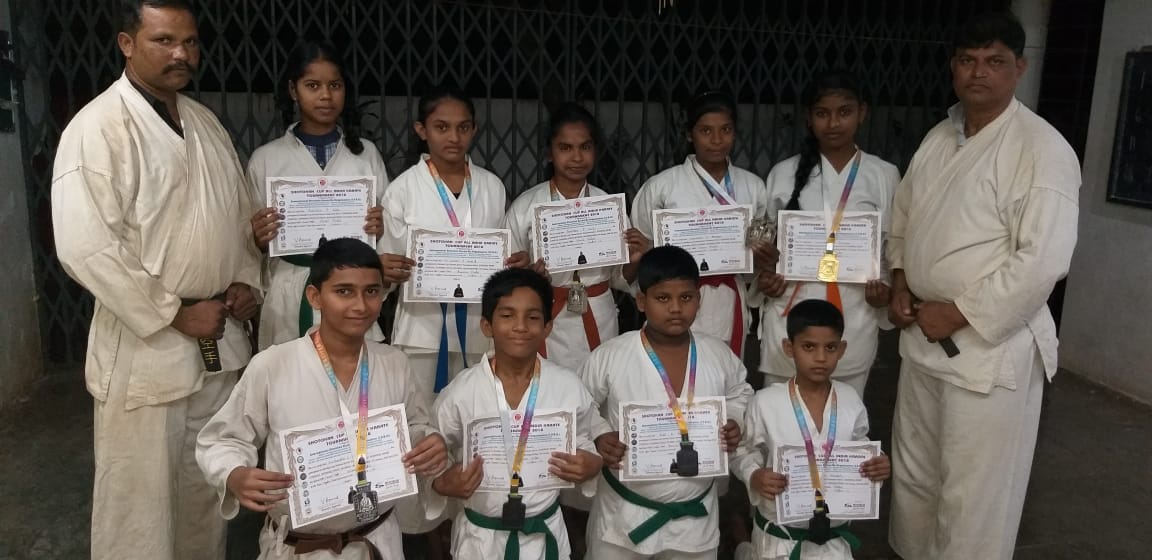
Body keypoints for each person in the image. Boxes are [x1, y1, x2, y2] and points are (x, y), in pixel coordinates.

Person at [50, 1, 262, 557]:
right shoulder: (98, 127)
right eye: (164, 40)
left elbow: (236, 213)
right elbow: (86, 244)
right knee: (139, 507)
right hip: (147, 346)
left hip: (217, 339)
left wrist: (245, 281)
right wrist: (174, 312)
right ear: (127, 43)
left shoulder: (204, 122)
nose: (181, 54)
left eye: (189, 42)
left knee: (202, 496)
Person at [885, 11, 1080, 560]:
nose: (979, 73)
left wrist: (960, 311)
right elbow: (904, 218)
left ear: (1019, 68)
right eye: (968, 60)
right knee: (917, 477)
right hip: (923, 339)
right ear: (953, 67)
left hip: (987, 351)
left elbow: (1043, 261)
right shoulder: (939, 136)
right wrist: (900, 279)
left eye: (995, 61)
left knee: (974, 493)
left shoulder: (1041, 149)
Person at [196, 238, 448, 559]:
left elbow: (414, 426)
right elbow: (223, 439)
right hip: (299, 545)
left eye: (371, 291)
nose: (360, 305)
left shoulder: (394, 362)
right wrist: (234, 473)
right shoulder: (273, 365)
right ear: (315, 296)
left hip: (376, 539)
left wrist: (429, 443)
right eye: (344, 291)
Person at [581, 246, 754, 559]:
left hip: (694, 520)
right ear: (641, 301)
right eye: (663, 298)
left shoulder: (718, 354)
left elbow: (740, 392)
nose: (676, 308)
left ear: (699, 299)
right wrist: (599, 434)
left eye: (686, 297)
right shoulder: (610, 356)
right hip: (622, 518)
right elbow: (581, 404)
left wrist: (734, 420)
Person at [428, 267, 603, 559]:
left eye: (532, 317)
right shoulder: (461, 391)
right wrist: (442, 482)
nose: (520, 326)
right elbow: (435, 448)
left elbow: (584, 439)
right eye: (507, 316)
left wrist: (591, 463)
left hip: (544, 535)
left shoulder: (567, 385)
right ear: (487, 325)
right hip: (481, 541)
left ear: (547, 327)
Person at [378, 86, 530, 399]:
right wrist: (386, 272)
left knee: (477, 410)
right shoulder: (401, 190)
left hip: (480, 326)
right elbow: (387, 267)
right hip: (422, 330)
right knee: (421, 414)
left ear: (474, 129)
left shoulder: (491, 186)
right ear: (422, 130)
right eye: (442, 127)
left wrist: (515, 264)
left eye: (463, 127)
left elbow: (502, 254)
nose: (454, 137)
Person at [755, 72, 900, 396]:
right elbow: (764, 243)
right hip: (791, 313)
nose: (833, 123)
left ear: (862, 113)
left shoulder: (883, 174)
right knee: (780, 411)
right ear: (809, 117)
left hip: (854, 314)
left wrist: (884, 290)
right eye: (822, 113)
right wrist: (767, 276)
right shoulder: (783, 173)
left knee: (843, 412)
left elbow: (892, 246)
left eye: (844, 112)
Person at [247, 40, 390, 350]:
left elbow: (388, 234)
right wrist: (257, 239)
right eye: (313, 86)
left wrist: (380, 229)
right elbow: (247, 247)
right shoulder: (267, 158)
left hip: (352, 288)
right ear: (293, 90)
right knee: (290, 374)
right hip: (288, 289)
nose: (326, 95)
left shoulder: (365, 154)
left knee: (353, 374)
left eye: (335, 85)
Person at [732, 299, 890, 560]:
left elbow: (861, 447)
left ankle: (741, 542)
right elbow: (743, 450)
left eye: (830, 348)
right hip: (781, 539)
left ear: (842, 349)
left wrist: (877, 464)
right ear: (789, 347)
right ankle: (742, 542)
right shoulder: (766, 402)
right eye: (809, 347)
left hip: (833, 539)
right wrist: (754, 475)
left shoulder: (850, 399)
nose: (820, 358)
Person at [504, 102, 649, 371]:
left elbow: (619, 278)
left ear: (596, 150)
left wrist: (635, 260)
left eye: (585, 147)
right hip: (546, 314)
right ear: (549, 153)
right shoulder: (525, 207)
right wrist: (528, 276)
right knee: (548, 387)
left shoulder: (609, 206)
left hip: (599, 313)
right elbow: (508, 276)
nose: (576, 157)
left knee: (599, 382)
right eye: (565, 148)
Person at [630, 91, 776, 358]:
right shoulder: (662, 187)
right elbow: (639, 249)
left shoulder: (753, 186)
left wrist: (761, 258)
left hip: (729, 299)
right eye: (706, 131)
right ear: (689, 134)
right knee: (673, 373)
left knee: (725, 372)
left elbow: (756, 257)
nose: (717, 140)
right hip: (674, 300)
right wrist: (649, 250)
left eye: (726, 130)